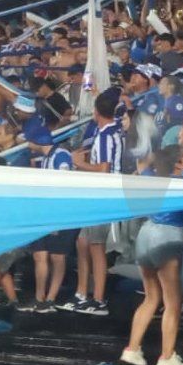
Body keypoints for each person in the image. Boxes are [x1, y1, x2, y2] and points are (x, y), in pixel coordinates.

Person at [119, 145, 183, 365]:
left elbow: (142, 166)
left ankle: (132, 348)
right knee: (173, 303)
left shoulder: (150, 177)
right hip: (168, 236)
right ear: (178, 162)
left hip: (145, 234)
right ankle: (167, 357)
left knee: (151, 297)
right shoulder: (181, 184)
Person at [64, 90, 122, 316]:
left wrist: (80, 163)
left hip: (105, 196)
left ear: (96, 111)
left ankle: (98, 299)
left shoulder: (107, 135)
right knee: (82, 241)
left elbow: (104, 169)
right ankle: (82, 294)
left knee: (96, 247)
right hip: (99, 195)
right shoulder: (111, 130)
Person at [23, 121, 77, 312]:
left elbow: (64, 184)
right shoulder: (45, 158)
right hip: (46, 215)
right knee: (41, 256)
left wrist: (57, 218)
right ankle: (40, 298)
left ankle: (50, 299)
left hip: (61, 217)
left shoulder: (61, 155)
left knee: (57, 257)